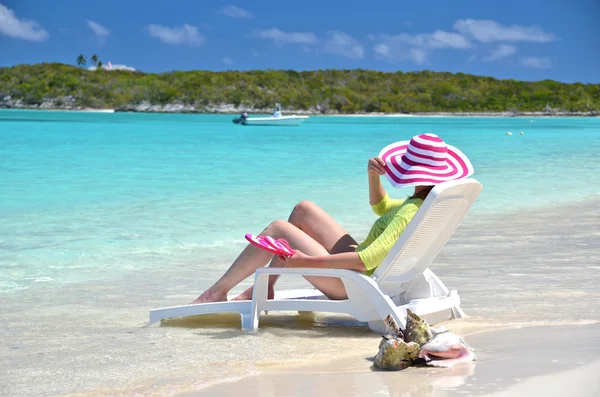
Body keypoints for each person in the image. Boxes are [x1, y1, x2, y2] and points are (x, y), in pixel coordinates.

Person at [192, 133, 474, 304]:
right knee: (304, 209)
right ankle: (264, 286)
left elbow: (367, 260)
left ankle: (217, 292)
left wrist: (305, 262)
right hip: (365, 273)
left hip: (353, 283)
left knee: (278, 228)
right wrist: (372, 176)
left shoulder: (411, 211)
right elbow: (381, 206)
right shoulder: (423, 204)